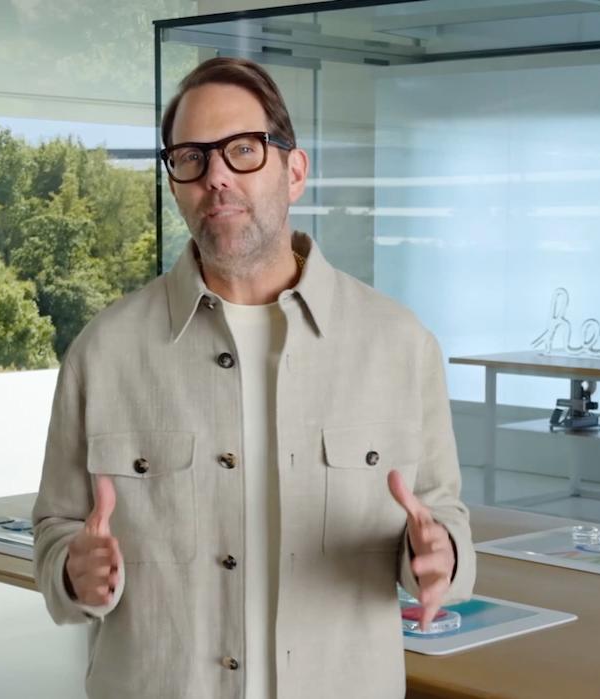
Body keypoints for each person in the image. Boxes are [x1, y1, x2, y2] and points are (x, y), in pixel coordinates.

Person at [31, 56, 476, 699]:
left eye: (242, 150)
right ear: (175, 183)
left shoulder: (399, 345)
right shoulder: (103, 352)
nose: (216, 176)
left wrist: (440, 557)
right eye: (191, 157)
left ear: (294, 172)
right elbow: (55, 530)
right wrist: (73, 571)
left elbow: (442, 515)